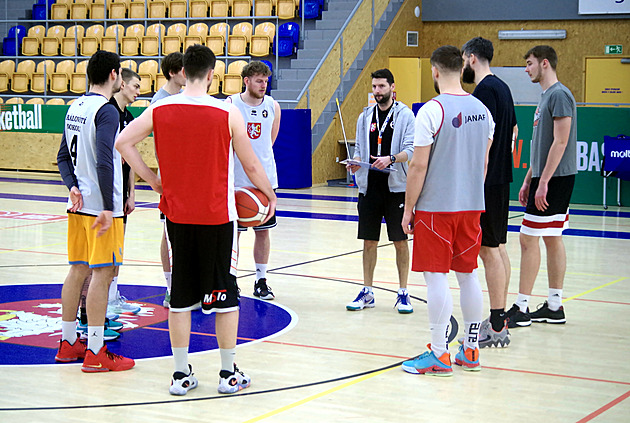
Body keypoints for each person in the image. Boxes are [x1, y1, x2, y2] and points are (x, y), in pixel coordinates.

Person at [116, 45, 277, 395]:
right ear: (212, 73)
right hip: (218, 217)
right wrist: (270, 195)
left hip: (176, 215)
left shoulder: (159, 108)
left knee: (179, 298)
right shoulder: (226, 112)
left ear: (183, 71)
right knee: (225, 298)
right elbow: (250, 166)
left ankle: (180, 375)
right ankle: (226, 374)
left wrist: (152, 179)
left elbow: (123, 142)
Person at [401, 46, 494, 376]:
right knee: (468, 274)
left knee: (436, 276)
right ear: (462, 68)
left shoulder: (430, 111)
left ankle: (439, 353)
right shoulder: (483, 111)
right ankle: (470, 350)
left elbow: (418, 165)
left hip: (436, 207)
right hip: (471, 206)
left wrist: (408, 208)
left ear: (435, 72)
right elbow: (483, 163)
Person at [55, 50, 135, 372]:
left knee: (77, 270)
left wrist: (72, 186)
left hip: (78, 204)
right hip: (102, 208)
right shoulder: (107, 111)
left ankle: (67, 342)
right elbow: (105, 160)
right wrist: (106, 206)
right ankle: (97, 351)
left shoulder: (75, 106)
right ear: (115, 75)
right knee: (102, 275)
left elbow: (63, 156)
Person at [507, 45, 577, 327]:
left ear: (544, 63)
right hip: (546, 176)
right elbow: (542, 145)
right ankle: (555, 305)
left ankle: (522, 308)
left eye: (529, 63)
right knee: (551, 236)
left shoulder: (559, 94)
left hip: (556, 178)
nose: (526, 69)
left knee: (528, 238)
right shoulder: (546, 96)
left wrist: (544, 181)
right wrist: (529, 179)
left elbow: (561, 142)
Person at [462, 37, 518, 347]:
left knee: (489, 250)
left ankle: (497, 325)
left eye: (463, 59)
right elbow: (513, 132)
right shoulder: (504, 88)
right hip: (501, 179)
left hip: (487, 181)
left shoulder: (484, 92)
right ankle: (502, 315)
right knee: (499, 248)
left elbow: (480, 141)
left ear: (471, 58)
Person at [345, 68, 415, 314]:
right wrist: (355, 162)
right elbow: (359, 149)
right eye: (374, 87)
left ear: (392, 87)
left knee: (400, 241)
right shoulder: (365, 117)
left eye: (382, 87)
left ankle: (403, 292)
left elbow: (412, 150)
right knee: (369, 241)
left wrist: (391, 159)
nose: (377, 91)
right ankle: (367, 291)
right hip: (369, 188)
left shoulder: (406, 115)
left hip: (396, 187)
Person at [225, 61, 281, 301]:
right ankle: (230, 280)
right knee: (232, 235)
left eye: (266, 81)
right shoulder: (230, 104)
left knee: (263, 233)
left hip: (264, 181)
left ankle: (261, 280)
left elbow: (270, 141)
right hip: (235, 180)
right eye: (259, 80)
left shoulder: (273, 105)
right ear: (246, 81)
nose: (263, 85)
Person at [150, 52, 186, 308]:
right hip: (171, 179)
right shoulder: (159, 101)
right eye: (184, 69)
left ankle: (190, 284)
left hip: (191, 176)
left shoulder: (187, 97)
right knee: (168, 233)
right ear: (173, 72)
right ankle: (171, 287)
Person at [106, 67, 143, 316]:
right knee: (105, 249)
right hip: (105, 193)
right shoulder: (106, 113)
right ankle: (100, 300)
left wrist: (131, 194)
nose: (139, 91)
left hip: (121, 192)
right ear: (122, 85)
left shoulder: (129, 117)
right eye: (135, 86)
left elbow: (129, 161)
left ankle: (111, 296)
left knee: (118, 247)